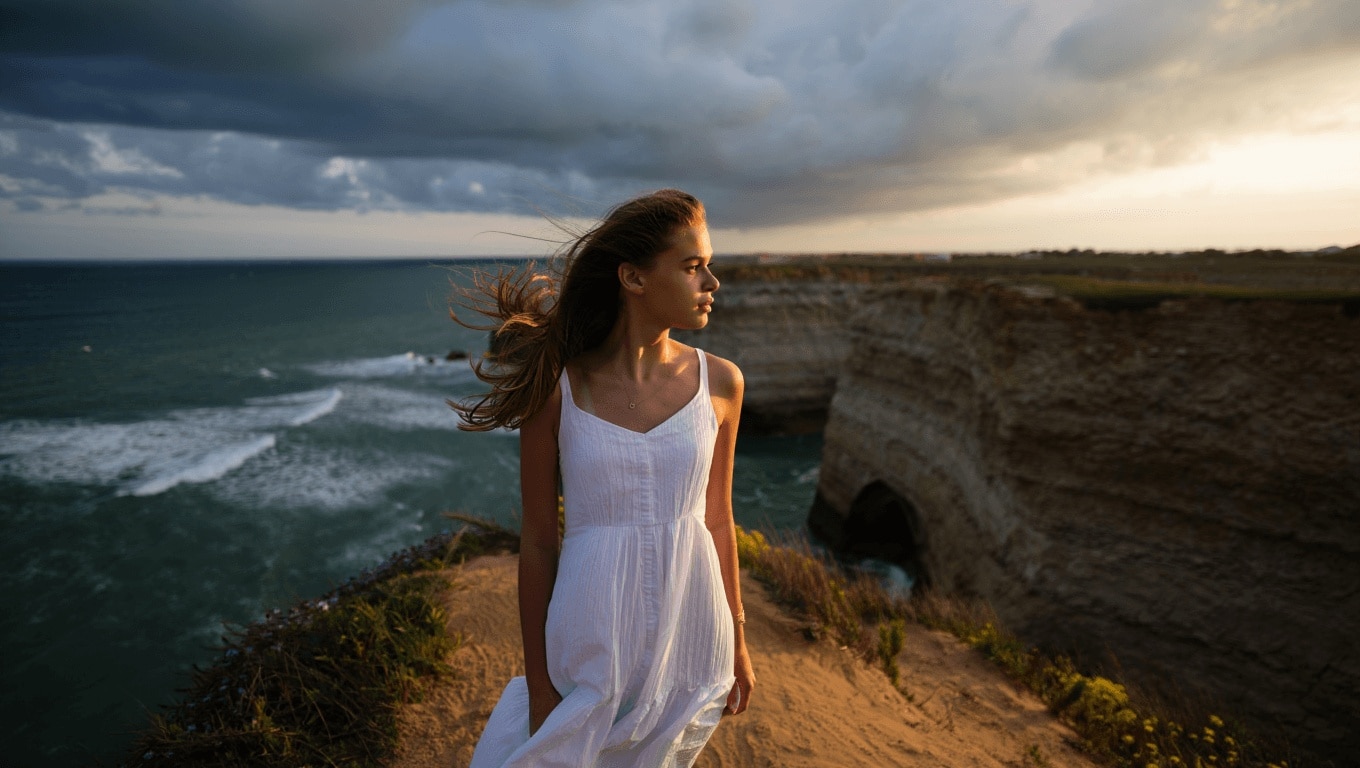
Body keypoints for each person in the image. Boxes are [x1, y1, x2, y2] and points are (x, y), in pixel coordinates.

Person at [451, 189, 755, 767]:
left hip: (691, 639)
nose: (712, 282)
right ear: (633, 278)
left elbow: (718, 519)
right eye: (692, 266)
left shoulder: (721, 383)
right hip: (590, 642)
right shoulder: (556, 387)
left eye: (708, 265)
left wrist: (737, 638)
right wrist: (539, 685)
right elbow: (539, 541)